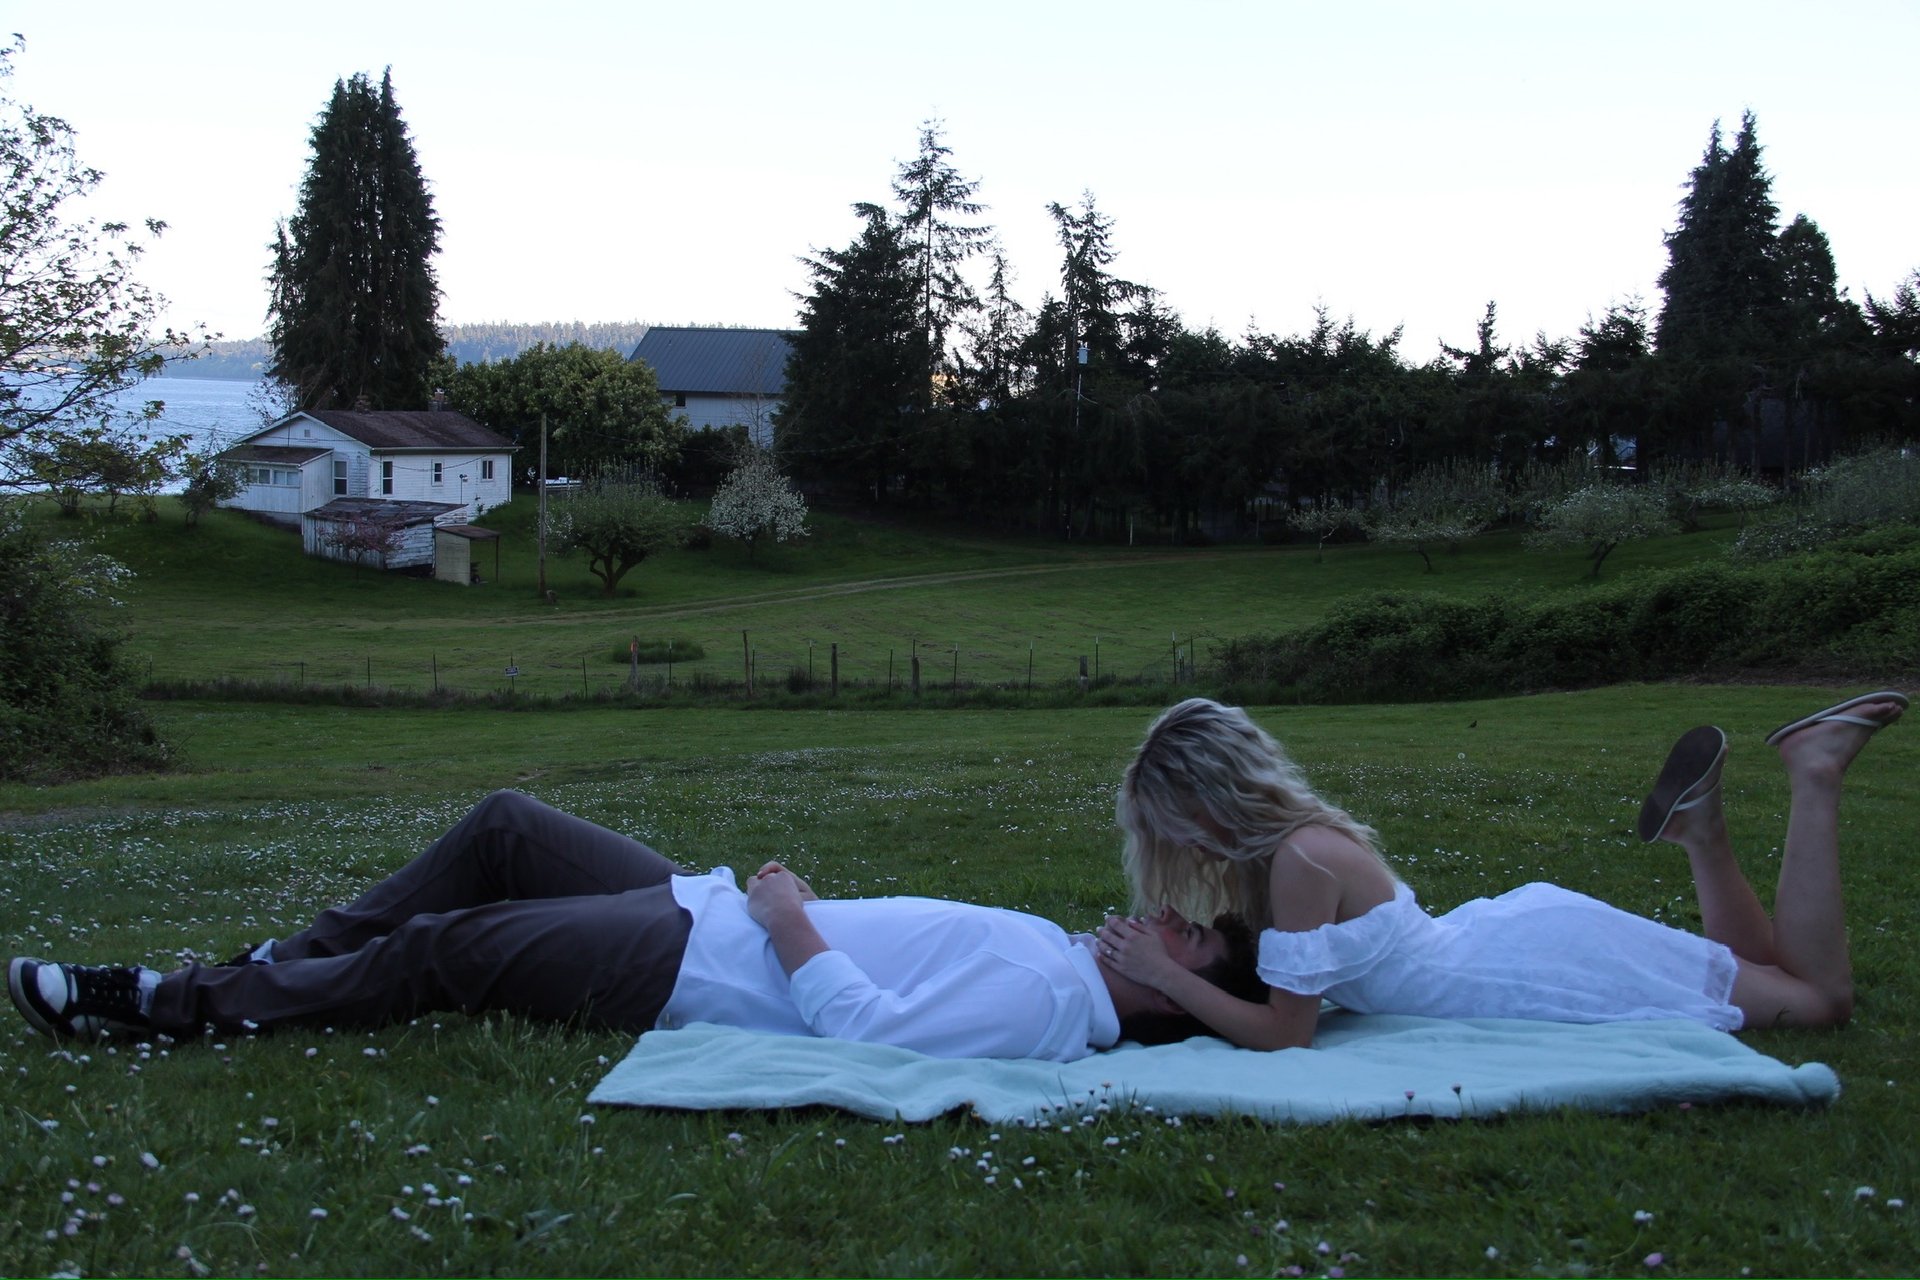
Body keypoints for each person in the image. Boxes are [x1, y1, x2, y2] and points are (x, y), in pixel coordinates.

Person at [8, 790, 1260, 1062]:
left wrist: (788, 925)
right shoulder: (1058, 956)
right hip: (709, 906)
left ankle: (174, 1006)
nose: (1158, 912)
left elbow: (881, 1040)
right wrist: (794, 911)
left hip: (687, 960)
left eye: (1188, 932)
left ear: (1185, 985)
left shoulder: (1050, 1006)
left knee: (455, 947)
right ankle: (282, 963)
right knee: (504, 825)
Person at [1093, 691, 1908, 1051]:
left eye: (1179, 825)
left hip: (1534, 968)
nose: (1187, 849)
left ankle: (1816, 771)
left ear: (1215, 794)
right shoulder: (1291, 852)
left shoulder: (1300, 863)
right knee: (1766, 976)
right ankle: (1699, 831)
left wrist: (1168, 974)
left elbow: (1283, 1035)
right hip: (1514, 944)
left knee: (1820, 1005)